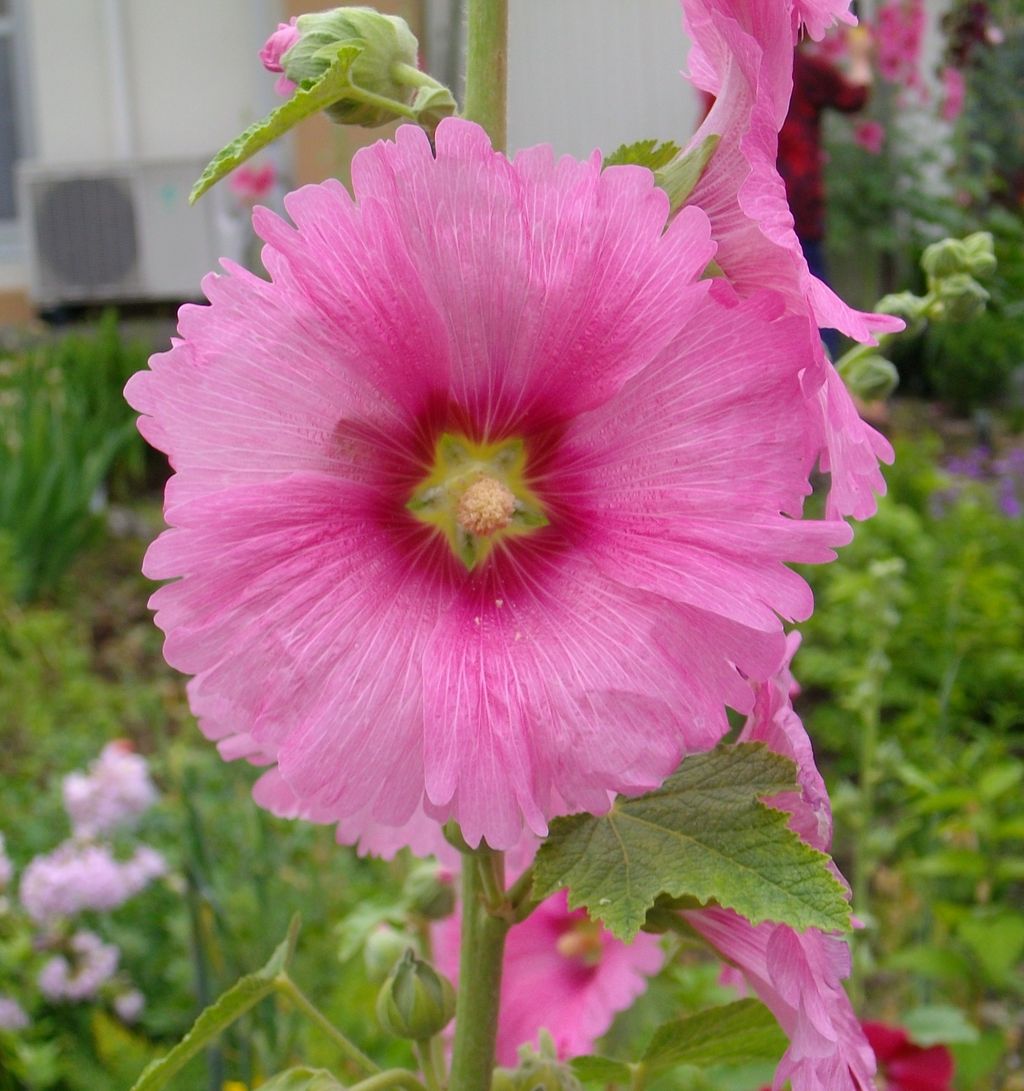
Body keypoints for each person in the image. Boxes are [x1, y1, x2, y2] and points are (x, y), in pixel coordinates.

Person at [778, 30, 873, 354]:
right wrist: (860, 57)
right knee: (812, 288)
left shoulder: (729, 65)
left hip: (746, 201)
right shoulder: (804, 69)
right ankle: (826, 369)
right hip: (797, 202)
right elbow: (854, 97)